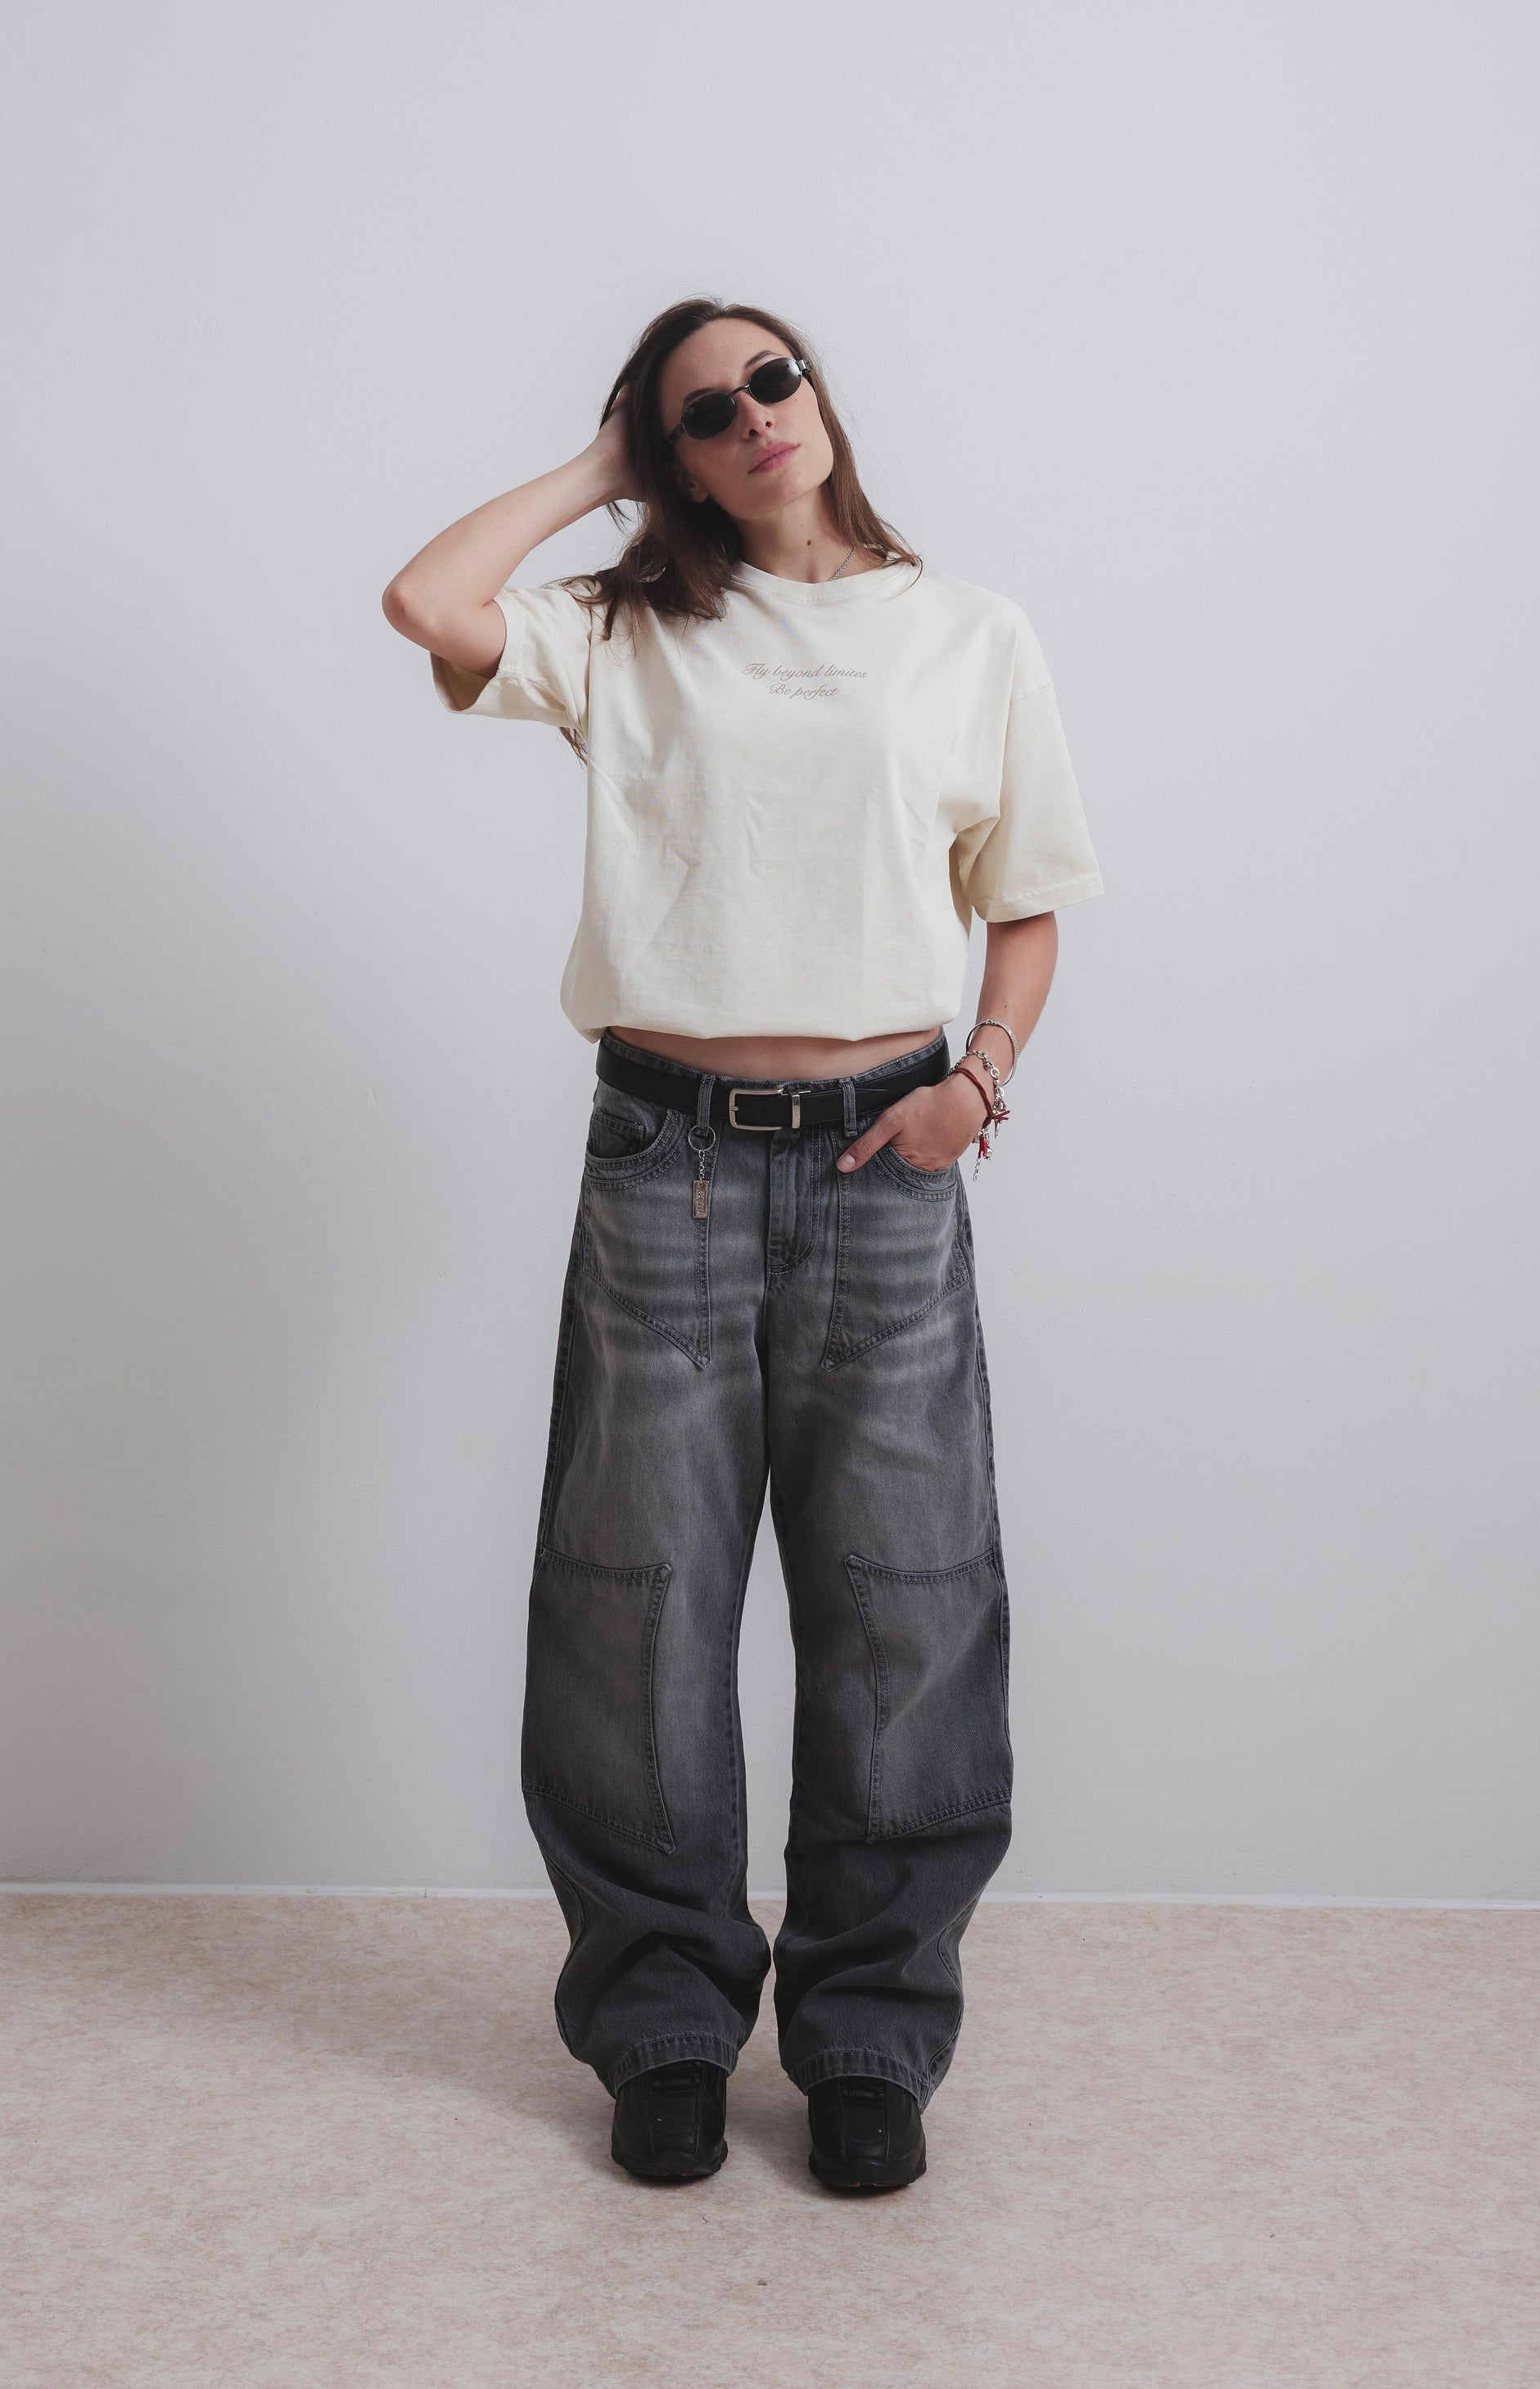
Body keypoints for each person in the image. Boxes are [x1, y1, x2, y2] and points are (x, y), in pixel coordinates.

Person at [382, 296, 1101, 2193]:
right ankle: (664, 2026)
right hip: (666, 1160)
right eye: (704, 411)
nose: (756, 415)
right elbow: (428, 602)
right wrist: (598, 468)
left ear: (821, 394)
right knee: (631, 1602)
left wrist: (978, 1079)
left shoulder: (966, 632)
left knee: (905, 1597)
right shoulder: (623, 631)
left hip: (886, 1156)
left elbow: (1025, 900)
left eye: (773, 378)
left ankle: (868, 2036)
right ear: (673, 455)